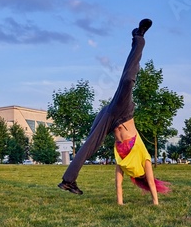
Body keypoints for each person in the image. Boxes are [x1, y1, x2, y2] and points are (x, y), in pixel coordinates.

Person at [57, 18, 171, 205]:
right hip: (123, 112)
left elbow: (119, 184)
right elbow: (151, 182)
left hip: (110, 118)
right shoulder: (145, 162)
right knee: (127, 80)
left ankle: (68, 181)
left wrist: (120, 204)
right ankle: (139, 37)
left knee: (90, 144)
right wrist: (155, 203)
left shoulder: (125, 164)